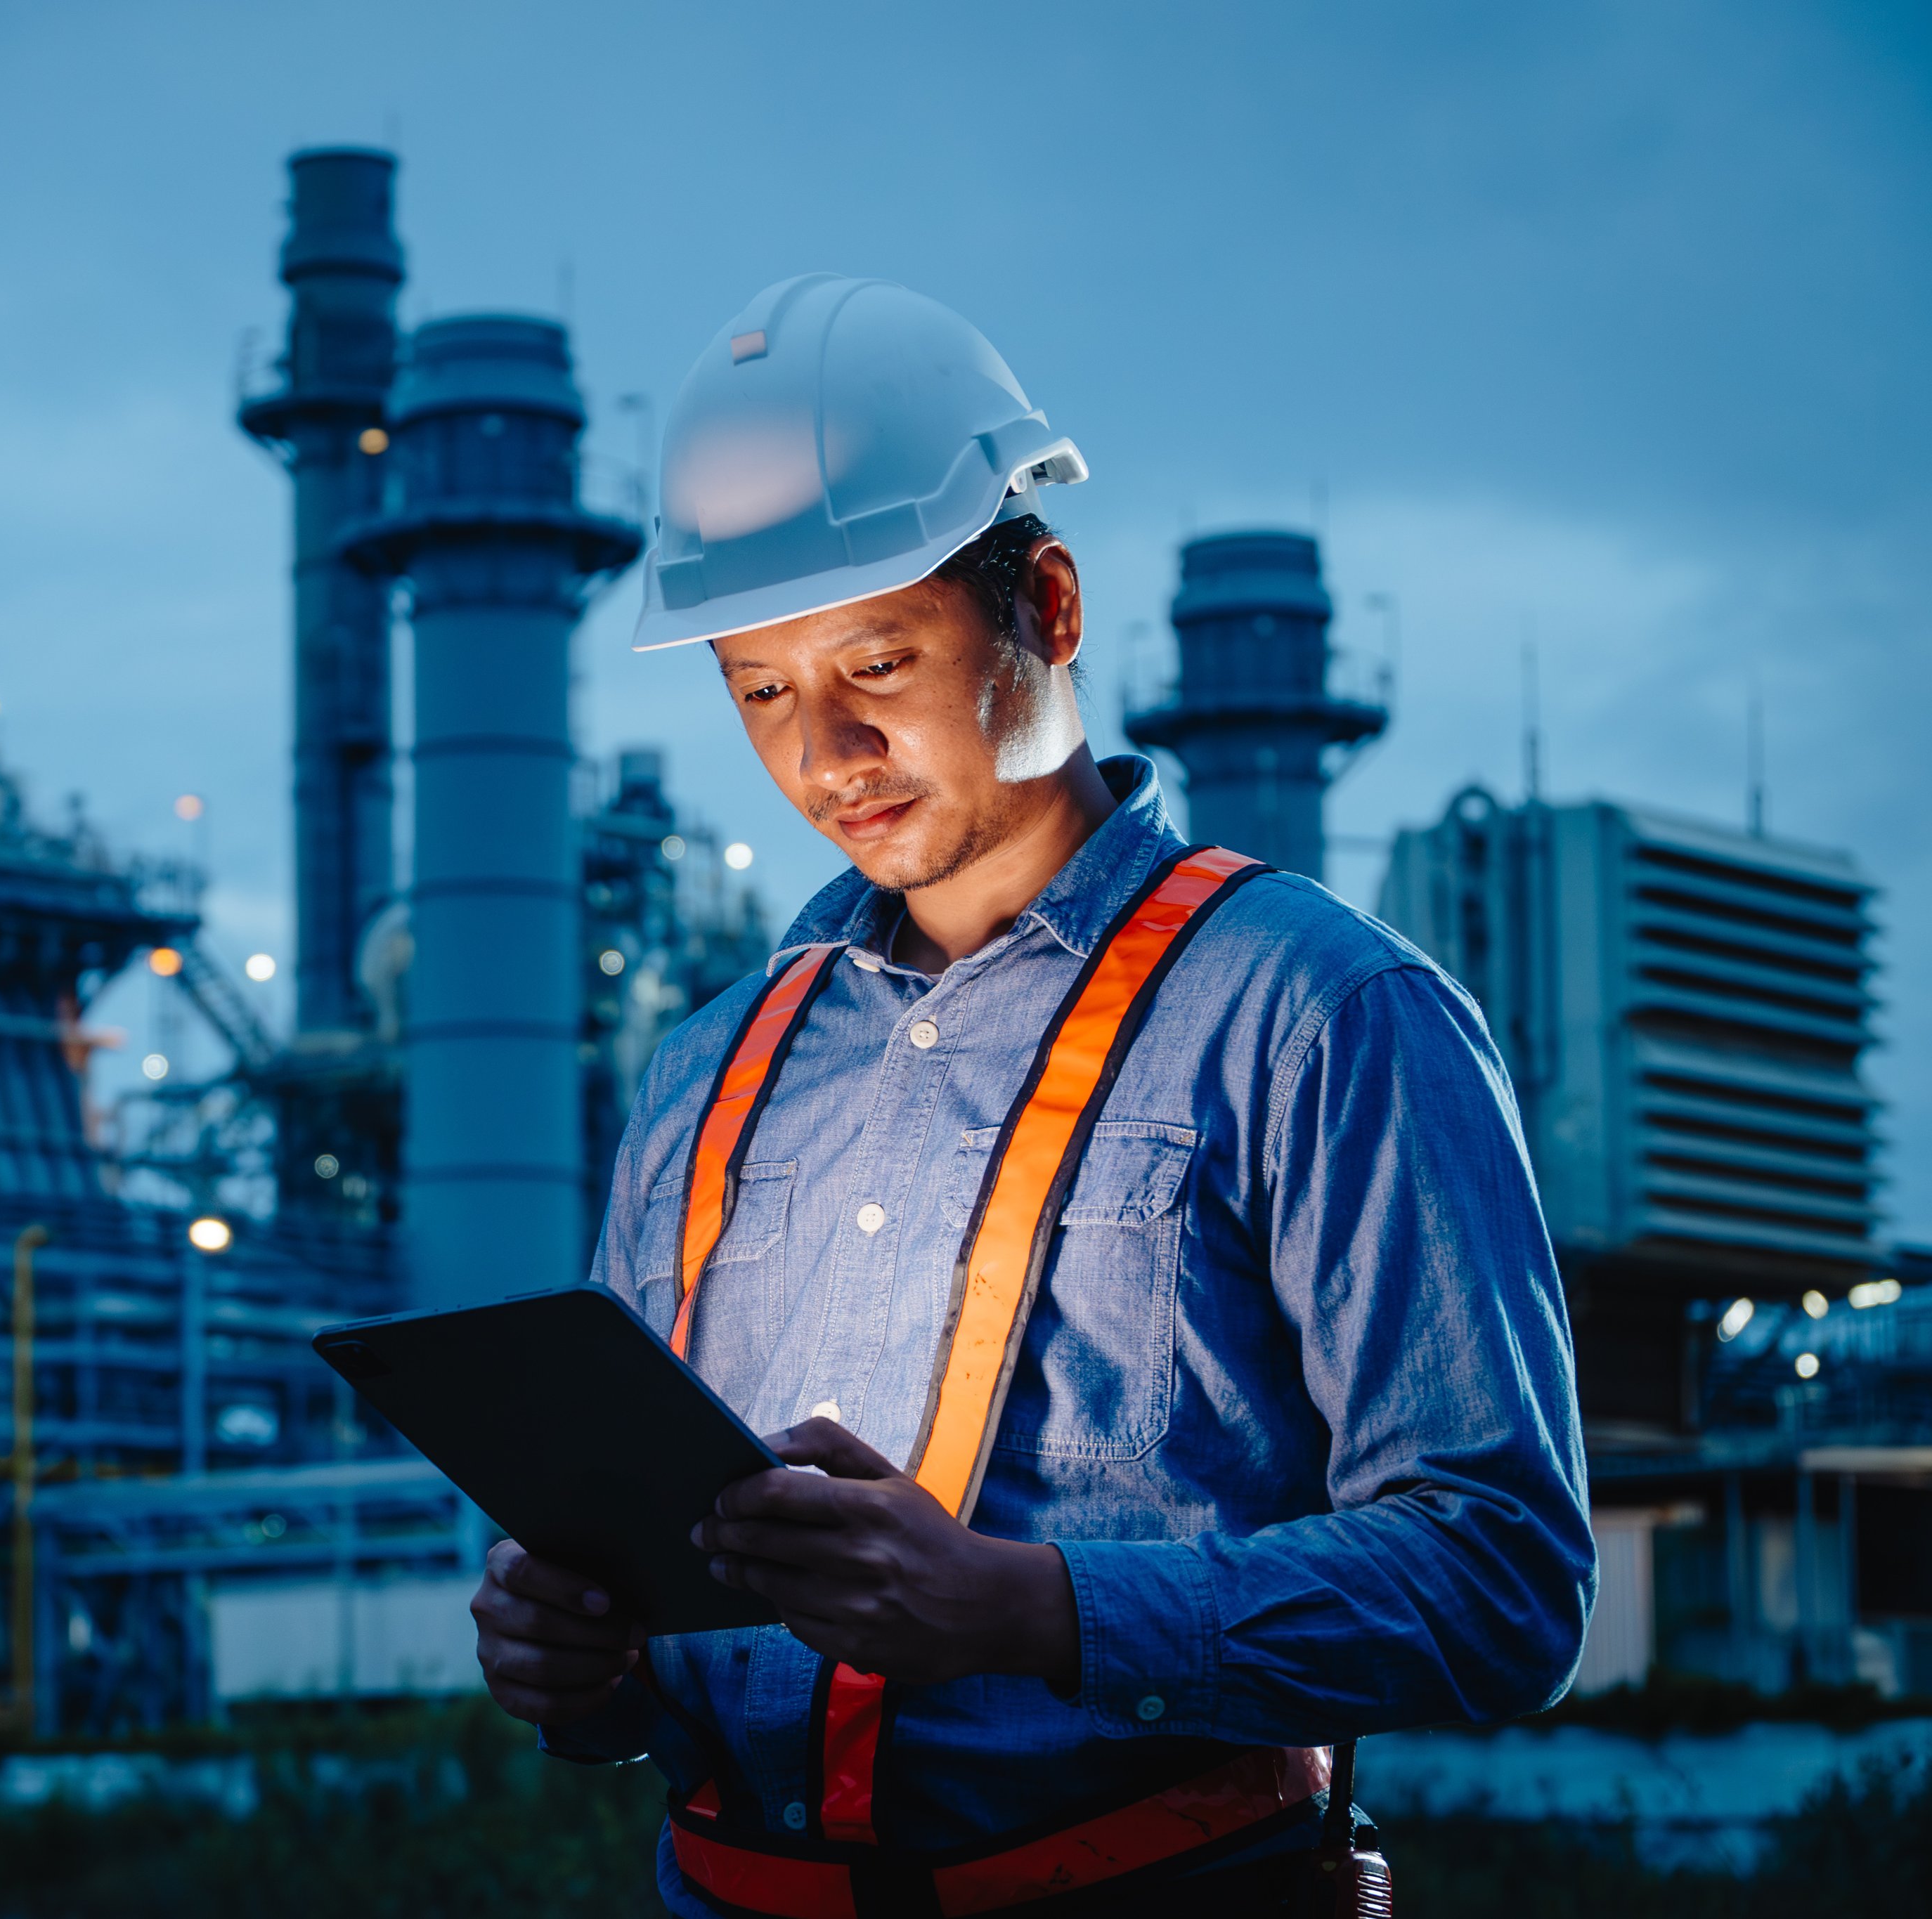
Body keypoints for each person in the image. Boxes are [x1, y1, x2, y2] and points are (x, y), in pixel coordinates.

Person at [468, 275, 1593, 1917]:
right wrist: (582, 1662)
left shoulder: (1317, 1010)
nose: (825, 751)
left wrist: (1026, 1607)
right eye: (759, 690)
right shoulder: (701, 1073)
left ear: (1047, 605)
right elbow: (652, 1594)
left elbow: (1500, 1580)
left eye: (876, 659)